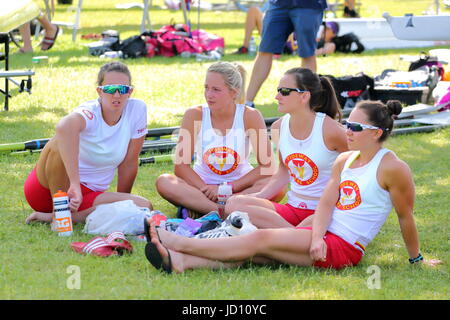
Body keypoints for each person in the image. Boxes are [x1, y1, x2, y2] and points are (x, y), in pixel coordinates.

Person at [145, 99, 441, 273]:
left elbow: (405, 216)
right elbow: (327, 204)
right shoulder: (346, 160)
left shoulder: (393, 167)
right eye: (347, 124)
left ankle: (180, 243)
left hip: (344, 246)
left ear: (376, 133)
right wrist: (313, 234)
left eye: (354, 127)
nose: (346, 131)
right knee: (262, 254)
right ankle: (183, 261)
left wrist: (416, 258)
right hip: (321, 233)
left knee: (258, 240)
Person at [24, 61, 151, 224]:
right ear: (99, 91)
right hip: (52, 189)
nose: (117, 95)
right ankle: (60, 214)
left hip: (89, 195)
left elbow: (129, 163)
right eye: (110, 89)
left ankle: (55, 218)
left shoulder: (137, 109)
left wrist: (124, 204)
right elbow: (63, 126)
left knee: (145, 206)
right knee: (58, 142)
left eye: (123, 89)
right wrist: (74, 185)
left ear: (130, 91)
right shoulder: (90, 111)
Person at [224, 67, 348, 229]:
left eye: (284, 91)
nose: (277, 96)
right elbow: (283, 172)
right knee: (234, 203)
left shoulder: (331, 129)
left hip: (324, 213)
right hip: (293, 209)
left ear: (304, 96)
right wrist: (259, 197)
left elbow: (358, 172)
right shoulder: (278, 127)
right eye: (278, 91)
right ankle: (293, 234)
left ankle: (293, 236)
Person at [156, 61, 277, 218]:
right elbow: (181, 166)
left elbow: (267, 165)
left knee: (275, 185)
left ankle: (202, 208)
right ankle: (223, 212)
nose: (209, 94)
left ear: (234, 92)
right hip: (201, 188)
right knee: (164, 181)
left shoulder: (250, 115)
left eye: (216, 90)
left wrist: (227, 189)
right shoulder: (194, 114)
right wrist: (206, 188)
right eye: (206, 88)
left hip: (238, 188)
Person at [244, 0, 328, 108]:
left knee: (307, 54)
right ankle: (247, 103)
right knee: (264, 51)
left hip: (309, 5)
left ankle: (308, 105)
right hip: (278, 4)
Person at [234, 6, 339, 57]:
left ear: (334, 34)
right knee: (253, 10)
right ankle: (245, 47)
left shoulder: (330, 44)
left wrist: (311, 44)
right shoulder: (313, 30)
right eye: (324, 27)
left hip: (284, 46)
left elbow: (314, 53)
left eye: (328, 29)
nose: (324, 29)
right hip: (282, 35)